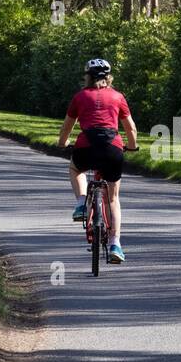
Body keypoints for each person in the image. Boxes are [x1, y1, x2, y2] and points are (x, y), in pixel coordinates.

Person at [56, 57, 138, 265]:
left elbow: (67, 127)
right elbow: (130, 128)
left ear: (88, 77)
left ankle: (82, 203)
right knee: (112, 199)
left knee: (76, 169)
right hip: (112, 149)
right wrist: (132, 145)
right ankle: (115, 244)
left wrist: (62, 143)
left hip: (86, 147)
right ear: (108, 77)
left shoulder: (80, 97)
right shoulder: (118, 97)